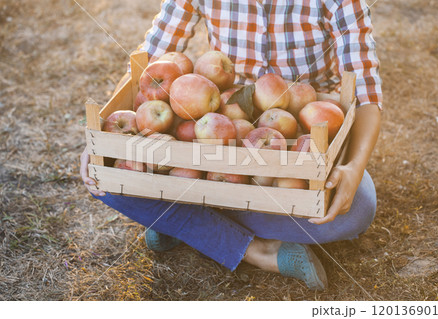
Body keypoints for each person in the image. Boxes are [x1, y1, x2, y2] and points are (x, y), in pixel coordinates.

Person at [80, 0, 382, 291]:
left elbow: (367, 93)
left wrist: (353, 168)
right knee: (104, 177)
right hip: (218, 133)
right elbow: (151, 59)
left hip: (297, 139)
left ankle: (181, 220)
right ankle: (257, 250)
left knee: (358, 208)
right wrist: (103, 139)